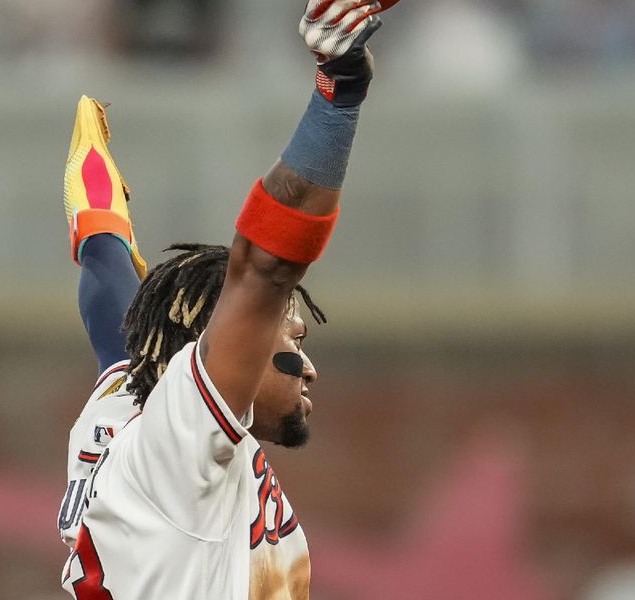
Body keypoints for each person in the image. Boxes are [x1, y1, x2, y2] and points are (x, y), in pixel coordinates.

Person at [57, 1, 392, 597]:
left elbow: (112, 306)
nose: (307, 366)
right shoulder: (180, 445)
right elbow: (264, 269)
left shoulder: (126, 408)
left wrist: (101, 226)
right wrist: (338, 91)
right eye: (289, 336)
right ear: (212, 340)